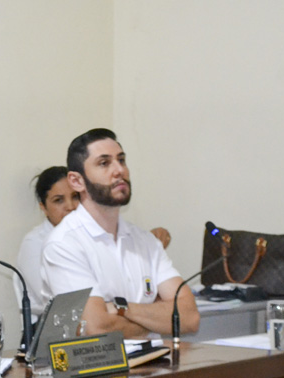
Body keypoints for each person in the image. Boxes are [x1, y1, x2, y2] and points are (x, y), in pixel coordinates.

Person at [42, 128, 198, 338]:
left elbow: (189, 317)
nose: (119, 170)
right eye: (104, 163)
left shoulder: (146, 241)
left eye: (121, 160)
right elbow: (95, 328)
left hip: (154, 358)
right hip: (99, 360)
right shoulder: (64, 243)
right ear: (77, 181)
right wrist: (159, 318)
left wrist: (120, 308)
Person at [16, 166, 171, 318]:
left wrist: (148, 248)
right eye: (58, 200)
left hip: (112, 318)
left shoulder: (97, 233)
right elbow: (65, 304)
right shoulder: (35, 242)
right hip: (55, 326)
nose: (70, 206)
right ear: (43, 207)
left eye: (75, 197)